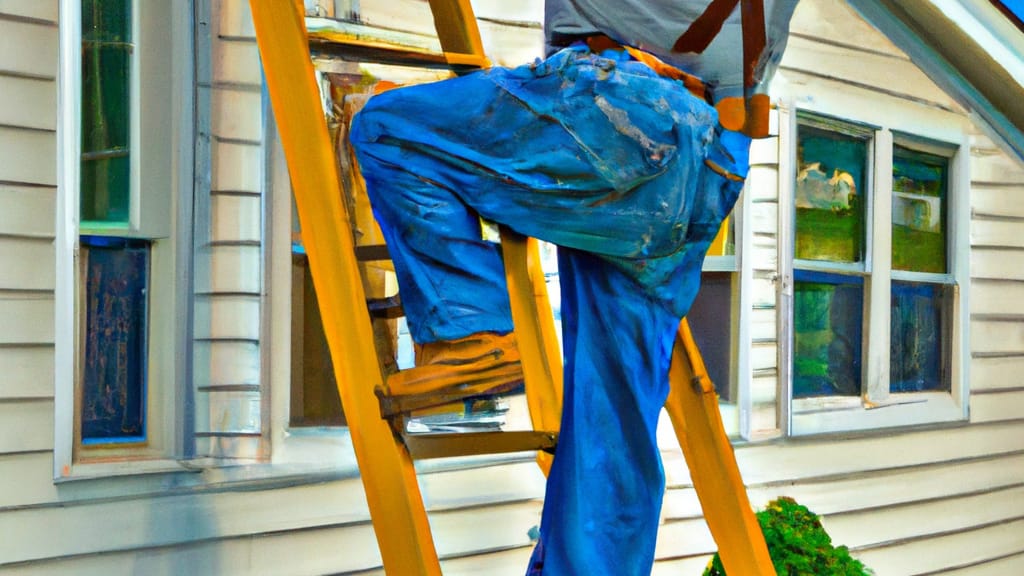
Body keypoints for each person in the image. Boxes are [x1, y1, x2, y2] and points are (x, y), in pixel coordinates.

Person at [350, 1, 798, 573]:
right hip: (713, 159)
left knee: (391, 130)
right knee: (612, 424)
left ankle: (472, 332)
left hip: (618, 107)